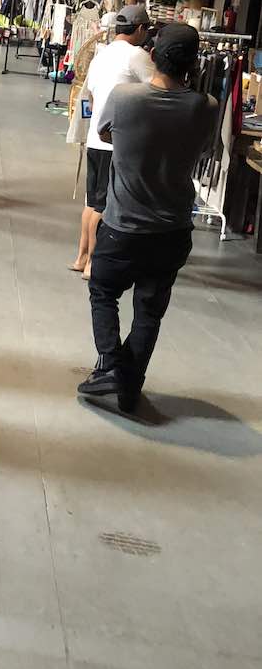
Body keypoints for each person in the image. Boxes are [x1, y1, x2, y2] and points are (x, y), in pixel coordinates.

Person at [78, 23, 217, 414]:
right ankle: (128, 385)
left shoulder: (126, 97)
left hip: (124, 225)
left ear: (152, 55)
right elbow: (206, 150)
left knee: (103, 292)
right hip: (173, 229)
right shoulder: (206, 105)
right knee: (150, 310)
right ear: (193, 63)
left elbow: (105, 135)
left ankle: (109, 366)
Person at [71, 3, 154, 278]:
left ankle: (82, 256)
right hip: (116, 141)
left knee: (91, 202)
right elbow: (158, 89)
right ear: (140, 29)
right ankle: (95, 262)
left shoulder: (101, 55)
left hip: (96, 137)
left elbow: (91, 96)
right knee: (104, 206)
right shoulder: (137, 56)